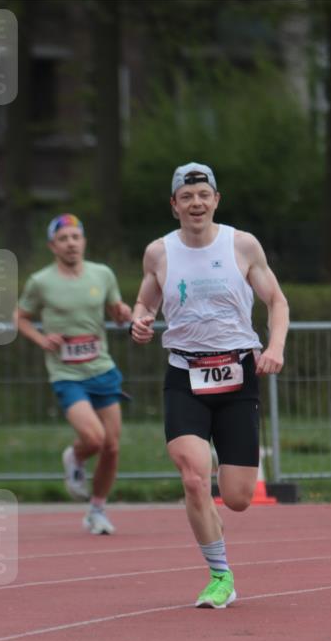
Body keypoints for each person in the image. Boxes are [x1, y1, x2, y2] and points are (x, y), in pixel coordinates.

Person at [130, 163, 289, 608]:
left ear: (216, 199)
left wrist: (274, 347)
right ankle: (220, 574)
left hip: (238, 373)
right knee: (194, 478)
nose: (196, 203)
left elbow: (276, 300)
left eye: (204, 195)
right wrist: (139, 321)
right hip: (185, 373)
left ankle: (223, 502)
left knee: (236, 498)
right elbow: (145, 300)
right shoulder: (159, 253)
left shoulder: (241, 244)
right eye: (187, 196)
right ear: (174, 205)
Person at [15, 214, 132, 534]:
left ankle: (97, 509)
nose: (71, 243)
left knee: (112, 445)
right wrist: (42, 339)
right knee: (94, 438)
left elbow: (117, 311)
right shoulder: (41, 282)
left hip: (102, 368)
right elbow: (20, 317)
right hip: (66, 373)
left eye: (75, 237)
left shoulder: (102, 274)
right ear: (53, 246)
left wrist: (123, 312)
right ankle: (75, 456)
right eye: (64, 238)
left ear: (83, 241)